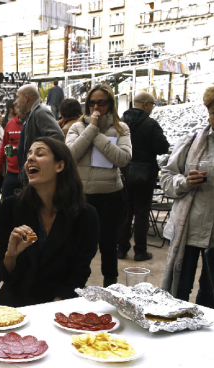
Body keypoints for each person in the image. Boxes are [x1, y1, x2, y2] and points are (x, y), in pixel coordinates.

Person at [0, 137, 99, 307]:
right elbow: (6, 276)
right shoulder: (10, 207)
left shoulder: (86, 216)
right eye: (29, 154)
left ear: (60, 166)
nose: (30, 158)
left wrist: (52, 309)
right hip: (16, 303)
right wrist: (11, 254)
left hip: (60, 303)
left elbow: (79, 273)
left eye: (40, 153)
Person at [66, 84, 131, 287]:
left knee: (108, 244)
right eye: (92, 102)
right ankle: (74, 285)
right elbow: (70, 155)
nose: (96, 106)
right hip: (82, 195)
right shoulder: (76, 127)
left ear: (110, 104)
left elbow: (123, 158)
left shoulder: (121, 128)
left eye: (101, 102)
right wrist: (91, 129)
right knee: (79, 244)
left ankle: (110, 286)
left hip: (110, 195)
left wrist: (97, 135)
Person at [160, 86, 214, 307]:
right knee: (179, 291)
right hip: (189, 229)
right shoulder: (192, 142)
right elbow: (166, 179)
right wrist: (184, 181)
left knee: (210, 294)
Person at [117, 92, 170, 261]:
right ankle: (140, 250)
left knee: (125, 211)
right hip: (144, 172)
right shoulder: (150, 124)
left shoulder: (120, 122)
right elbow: (162, 147)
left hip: (124, 171)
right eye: (153, 104)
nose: (153, 108)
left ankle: (121, 248)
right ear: (146, 104)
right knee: (142, 212)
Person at [16, 84, 65, 186]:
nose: (16, 101)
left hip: (37, 175)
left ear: (26, 98)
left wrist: (39, 153)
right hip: (30, 173)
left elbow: (57, 136)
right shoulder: (31, 114)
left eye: (17, 97)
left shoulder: (40, 112)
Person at [0, 103, 22, 199]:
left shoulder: (32, 123)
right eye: (18, 107)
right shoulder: (10, 124)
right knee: (6, 202)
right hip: (11, 172)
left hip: (28, 173)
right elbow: (3, 148)